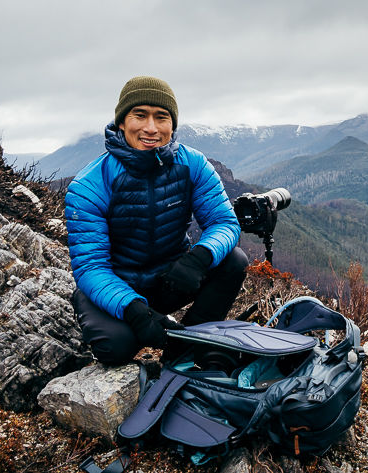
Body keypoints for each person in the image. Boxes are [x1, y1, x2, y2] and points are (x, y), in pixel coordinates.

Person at [65, 76, 248, 365]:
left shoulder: (193, 164)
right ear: (122, 122)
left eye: (161, 117)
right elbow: (90, 266)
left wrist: (199, 258)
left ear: (172, 125)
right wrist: (134, 309)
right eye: (140, 115)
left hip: (170, 278)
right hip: (116, 283)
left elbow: (225, 223)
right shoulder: (89, 185)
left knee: (233, 261)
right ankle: (102, 311)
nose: (151, 128)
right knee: (114, 347)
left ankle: (184, 351)